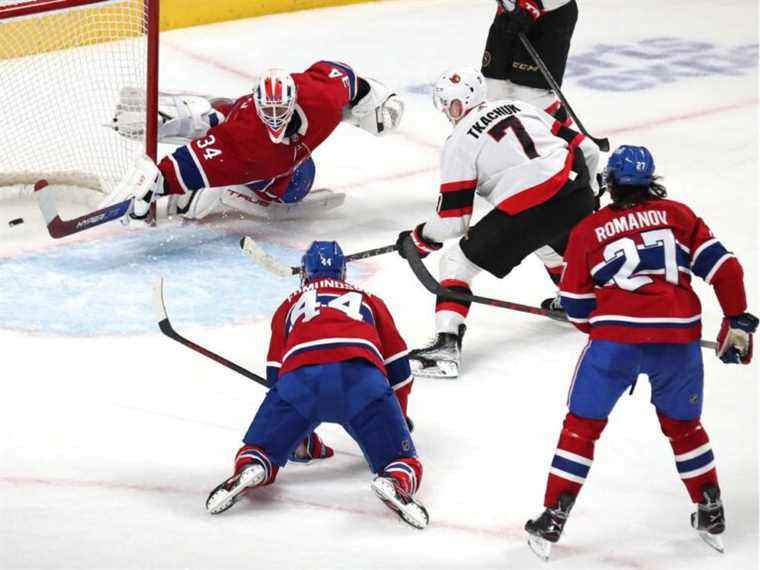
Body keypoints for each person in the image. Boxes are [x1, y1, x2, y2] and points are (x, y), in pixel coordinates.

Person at [524, 145, 757, 560]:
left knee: (581, 426)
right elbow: (727, 269)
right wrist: (736, 321)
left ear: (610, 184)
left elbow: (576, 305)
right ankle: (710, 507)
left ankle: (554, 514)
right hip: (678, 341)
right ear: (651, 181)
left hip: (615, 345)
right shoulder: (679, 215)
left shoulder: (588, 230)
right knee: (684, 428)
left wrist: (601, 325)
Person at [205, 241, 428, 529]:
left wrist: (294, 433)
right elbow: (399, 367)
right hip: (361, 381)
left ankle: (253, 465)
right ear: (343, 273)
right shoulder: (369, 298)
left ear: (305, 273)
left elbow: (276, 378)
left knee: (260, 447)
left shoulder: (289, 304)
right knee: (402, 459)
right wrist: (396, 414)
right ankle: (396, 479)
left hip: (300, 381)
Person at [396, 67, 599, 379]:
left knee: (455, 263)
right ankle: (578, 300)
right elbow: (588, 148)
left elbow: (453, 223)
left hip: (531, 210)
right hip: (576, 190)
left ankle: (446, 346)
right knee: (545, 240)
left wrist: (421, 238)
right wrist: (592, 193)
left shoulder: (459, 141)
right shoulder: (523, 107)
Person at [112, 62, 403, 221]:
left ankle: (209, 114)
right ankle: (220, 164)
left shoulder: (322, 99)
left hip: (245, 124)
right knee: (294, 185)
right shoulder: (251, 142)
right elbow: (194, 161)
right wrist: (158, 183)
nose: (275, 117)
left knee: (224, 118)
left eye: (280, 109)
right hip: (263, 162)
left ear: (294, 100)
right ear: (259, 103)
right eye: (269, 110)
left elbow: (344, 77)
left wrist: (371, 99)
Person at [482, 0, 578, 123]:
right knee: (493, 88)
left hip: (550, 15)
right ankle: (499, 140)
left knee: (529, 95)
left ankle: (565, 138)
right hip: (508, 10)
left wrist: (533, 4)